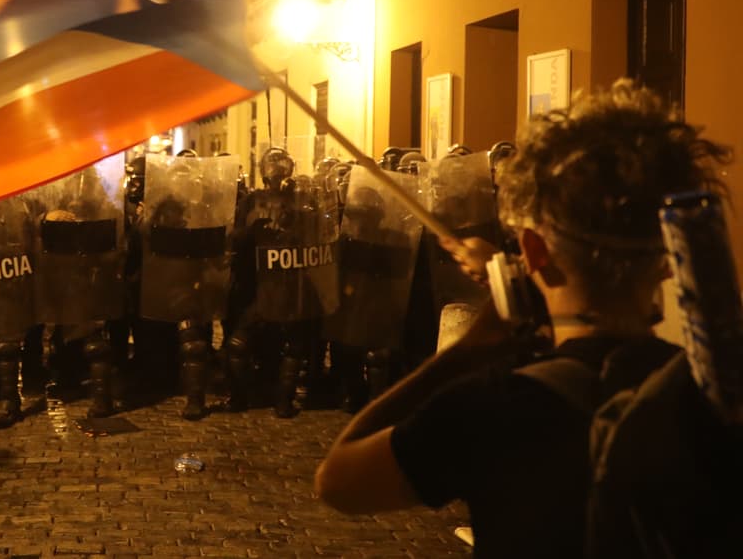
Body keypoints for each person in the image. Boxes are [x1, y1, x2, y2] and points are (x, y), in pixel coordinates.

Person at [314, 81, 732, 558]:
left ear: (531, 251)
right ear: (664, 260)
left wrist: (466, 353)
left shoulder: (493, 406)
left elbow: (338, 480)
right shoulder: (716, 391)